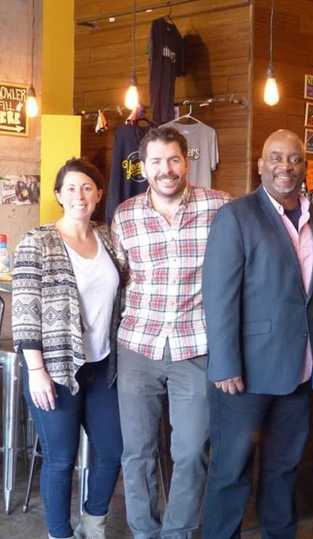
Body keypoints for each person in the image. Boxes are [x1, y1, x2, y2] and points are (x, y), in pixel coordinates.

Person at [202, 129, 313, 538]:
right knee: (230, 469)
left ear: (304, 166)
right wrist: (224, 364)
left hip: (299, 370)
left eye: (293, 159)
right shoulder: (236, 215)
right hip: (244, 373)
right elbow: (218, 296)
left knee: (284, 469)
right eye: (276, 158)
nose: (285, 167)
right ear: (260, 165)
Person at [111, 127, 230, 538]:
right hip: (138, 346)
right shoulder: (125, 215)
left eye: (174, 160)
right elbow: (119, 278)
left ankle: (177, 532)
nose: (166, 170)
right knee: (138, 451)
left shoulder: (220, 207)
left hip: (195, 345)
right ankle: (144, 531)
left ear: (187, 161)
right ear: (143, 167)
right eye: (157, 162)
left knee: (192, 449)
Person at [13, 158, 123, 539]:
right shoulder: (37, 242)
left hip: (102, 365)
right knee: (60, 459)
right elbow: (25, 313)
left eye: (87, 187)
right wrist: (37, 371)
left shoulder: (109, 238)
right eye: (71, 188)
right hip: (54, 369)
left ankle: (93, 524)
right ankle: (59, 533)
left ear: (98, 194)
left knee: (112, 450)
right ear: (59, 195)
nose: (80, 195)